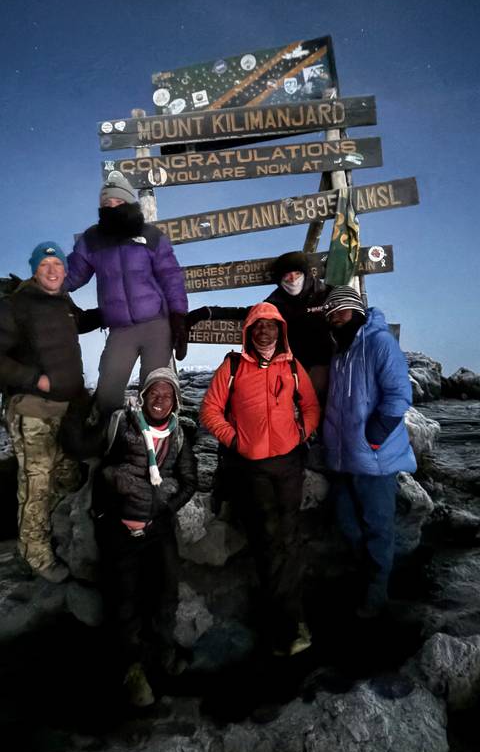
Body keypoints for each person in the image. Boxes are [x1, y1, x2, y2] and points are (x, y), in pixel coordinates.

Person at [200, 302, 320, 656]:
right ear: (249, 332)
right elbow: (209, 409)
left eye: (271, 326)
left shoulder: (292, 366)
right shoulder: (233, 366)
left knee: (288, 535)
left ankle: (286, 619)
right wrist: (236, 439)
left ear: (280, 331)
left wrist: (300, 433)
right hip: (252, 467)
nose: (265, 331)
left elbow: (311, 406)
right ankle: (289, 621)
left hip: (288, 463)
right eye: (258, 326)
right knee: (268, 538)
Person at [95, 368, 197, 707]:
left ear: (175, 401)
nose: (160, 399)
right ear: (143, 394)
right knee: (125, 601)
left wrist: (164, 506)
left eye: (167, 394)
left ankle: (162, 659)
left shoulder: (178, 434)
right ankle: (133, 670)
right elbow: (103, 470)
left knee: (165, 595)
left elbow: (188, 481)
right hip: (120, 530)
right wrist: (113, 494)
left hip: (158, 528)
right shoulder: (122, 425)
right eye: (154, 391)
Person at [0, 243, 101, 582]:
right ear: (33, 269)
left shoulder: (63, 303)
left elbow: (82, 322)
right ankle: (36, 557)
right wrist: (34, 379)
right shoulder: (15, 306)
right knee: (36, 486)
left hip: (68, 409)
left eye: (58, 263)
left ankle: (54, 541)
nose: (53, 270)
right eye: (45, 264)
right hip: (32, 411)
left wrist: (114, 311)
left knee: (66, 479)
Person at [321, 286, 417, 618]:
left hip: (375, 461)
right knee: (346, 523)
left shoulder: (379, 342)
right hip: (344, 461)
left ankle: (377, 597)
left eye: (341, 312)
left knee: (378, 529)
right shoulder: (341, 353)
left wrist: (373, 438)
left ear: (357, 311)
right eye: (331, 314)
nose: (335, 318)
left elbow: (399, 395)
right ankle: (367, 581)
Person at [64, 171, 188, 416]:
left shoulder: (151, 235)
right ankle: (111, 444)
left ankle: (153, 447)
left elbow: (171, 277)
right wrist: (40, 285)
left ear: (129, 203)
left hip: (157, 326)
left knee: (155, 390)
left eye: (118, 202)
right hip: (121, 329)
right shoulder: (92, 239)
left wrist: (179, 317)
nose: (112, 207)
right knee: (108, 393)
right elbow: (72, 275)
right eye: (106, 204)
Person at [186, 250, 332, 401]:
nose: (293, 279)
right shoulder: (275, 304)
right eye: (287, 275)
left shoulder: (328, 294)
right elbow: (243, 312)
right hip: (289, 368)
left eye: (297, 273)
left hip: (328, 367)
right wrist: (207, 312)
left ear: (306, 274)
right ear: (280, 279)